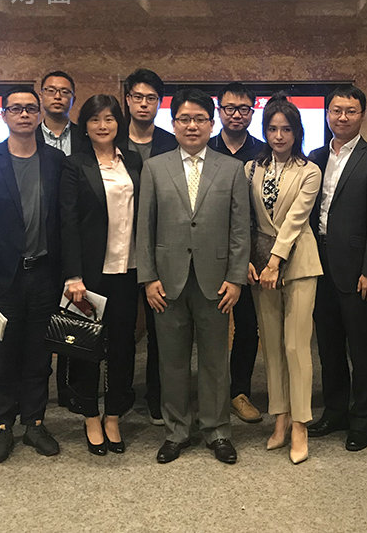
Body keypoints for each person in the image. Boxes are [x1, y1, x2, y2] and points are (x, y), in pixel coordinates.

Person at [136, 88, 250, 465]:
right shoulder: (155, 167)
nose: (192, 126)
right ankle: (176, 431)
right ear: (173, 124)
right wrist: (148, 278)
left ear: (211, 124)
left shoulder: (231, 169)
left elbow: (240, 229)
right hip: (166, 282)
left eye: (200, 119)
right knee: (171, 361)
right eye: (184, 119)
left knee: (215, 360)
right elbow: (144, 228)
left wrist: (236, 278)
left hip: (216, 281)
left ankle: (217, 430)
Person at [0, 87, 66, 464]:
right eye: (16, 109)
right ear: (3, 115)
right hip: (2, 280)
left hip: (44, 275)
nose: (24, 115)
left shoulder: (55, 160)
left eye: (30, 109)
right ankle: (3, 425)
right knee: (4, 356)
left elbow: (64, 220)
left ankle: (35, 422)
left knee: (39, 354)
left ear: (39, 115)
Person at [307, 85, 367, 452]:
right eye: (336, 110)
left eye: (351, 111)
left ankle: (363, 418)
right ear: (327, 113)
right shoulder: (314, 157)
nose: (342, 117)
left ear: (362, 115)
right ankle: (335, 411)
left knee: (362, 347)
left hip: (357, 269)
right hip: (318, 264)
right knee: (328, 346)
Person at [60, 95, 142, 456]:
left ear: (118, 123)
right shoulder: (74, 165)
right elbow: (67, 223)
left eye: (109, 119)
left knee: (123, 345)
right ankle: (90, 415)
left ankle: (114, 415)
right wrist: (73, 275)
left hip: (128, 269)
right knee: (86, 347)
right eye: (95, 119)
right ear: (86, 126)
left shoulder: (133, 161)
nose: (103, 125)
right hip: (90, 274)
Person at [244, 95, 323, 464]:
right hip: (261, 265)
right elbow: (245, 219)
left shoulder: (309, 171)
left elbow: (295, 220)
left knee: (295, 346)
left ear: (297, 133)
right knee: (272, 346)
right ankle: (280, 418)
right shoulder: (251, 169)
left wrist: (275, 261)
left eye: (286, 129)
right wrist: (249, 260)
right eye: (273, 129)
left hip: (299, 262)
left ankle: (301, 424)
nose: (279, 136)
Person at [209, 81, 265, 424]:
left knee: (247, 325)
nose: (236, 115)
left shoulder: (263, 152)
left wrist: (246, 257)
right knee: (208, 326)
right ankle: (210, 393)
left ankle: (239, 392)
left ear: (252, 111)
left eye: (244, 109)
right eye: (230, 108)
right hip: (207, 251)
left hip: (250, 257)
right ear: (219, 110)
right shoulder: (204, 147)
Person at [123, 67, 177, 425]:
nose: (144, 104)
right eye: (138, 97)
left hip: (161, 246)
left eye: (151, 98)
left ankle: (158, 396)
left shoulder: (171, 142)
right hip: (119, 247)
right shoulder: (110, 139)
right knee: (122, 325)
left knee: (161, 328)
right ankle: (121, 395)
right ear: (128, 100)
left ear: (159, 103)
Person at [34, 69, 87, 410]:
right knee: (40, 321)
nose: (57, 96)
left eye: (64, 91)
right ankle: (36, 394)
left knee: (74, 319)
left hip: (76, 237)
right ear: (41, 95)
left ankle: (71, 390)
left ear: (72, 98)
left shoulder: (86, 136)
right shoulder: (25, 135)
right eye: (51, 90)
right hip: (37, 240)